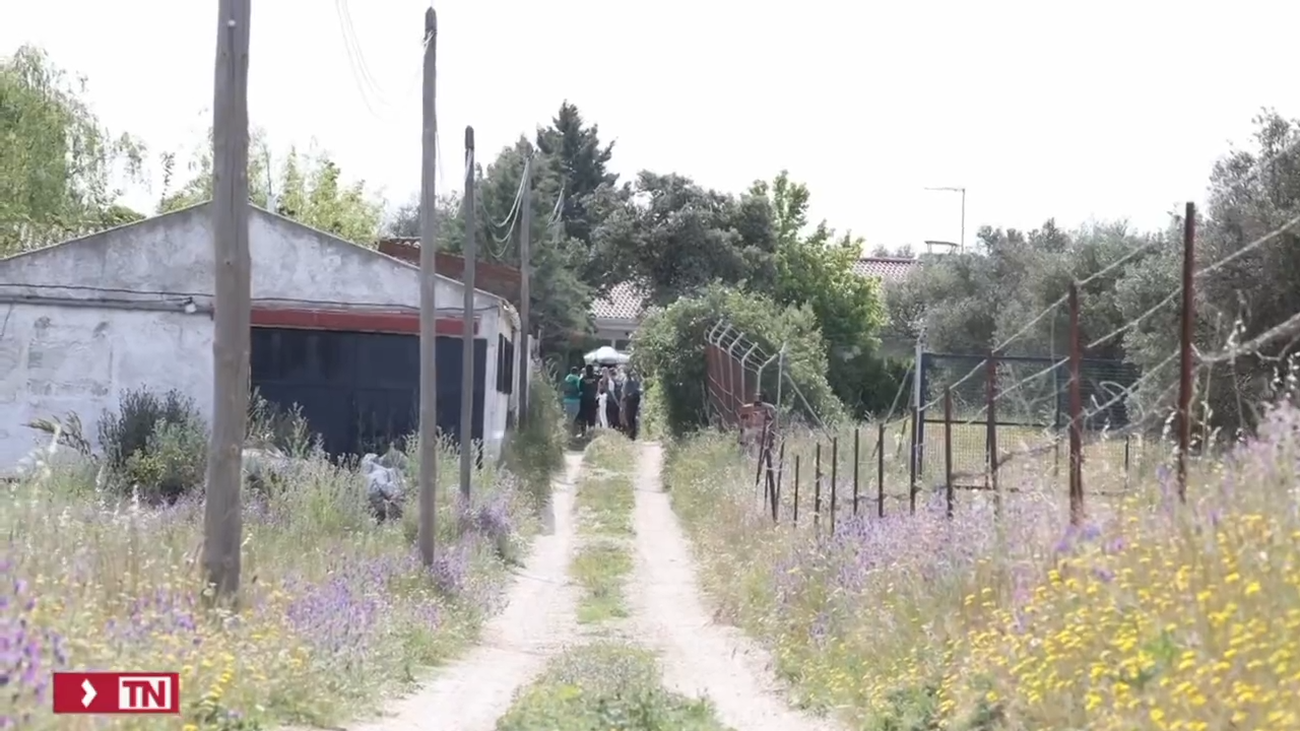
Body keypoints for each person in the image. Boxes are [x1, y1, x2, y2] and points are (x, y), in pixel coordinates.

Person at [622, 368, 642, 440]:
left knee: (629, 418)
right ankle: (633, 434)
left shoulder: (628, 382)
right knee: (632, 418)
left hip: (630, 401)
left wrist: (624, 399)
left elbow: (625, 392)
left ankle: (632, 434)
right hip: (634, 400)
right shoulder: (635, 381)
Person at [562, 366, 583, 436]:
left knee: (568, 416)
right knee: (573, 417)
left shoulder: (566, 378)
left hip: (566, 399)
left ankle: (566, 433)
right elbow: (579, 389)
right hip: (575, 400)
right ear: (577, 372)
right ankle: (570, 433)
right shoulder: (577, 379)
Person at [579, 364, 600, 432]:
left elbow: (580, 390)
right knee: (592, 417)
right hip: (592, 400)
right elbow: (597, 388)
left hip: (584, 401)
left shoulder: (582, 379)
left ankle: (583, 432)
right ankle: (592, 431)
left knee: (583, 417)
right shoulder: (596, 378)